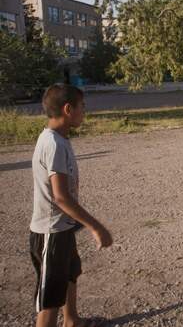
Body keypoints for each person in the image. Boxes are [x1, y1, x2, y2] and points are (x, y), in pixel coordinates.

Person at [30, 84, 112, 327]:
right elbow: (61, 197)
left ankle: (71, 320)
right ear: (68, 109)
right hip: (50, 232)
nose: (84, 112)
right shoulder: (53, 144)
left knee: (70, 274)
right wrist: (96, 227)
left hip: (62, 228)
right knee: (50, 298)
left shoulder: (59, 138)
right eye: (82, 107)